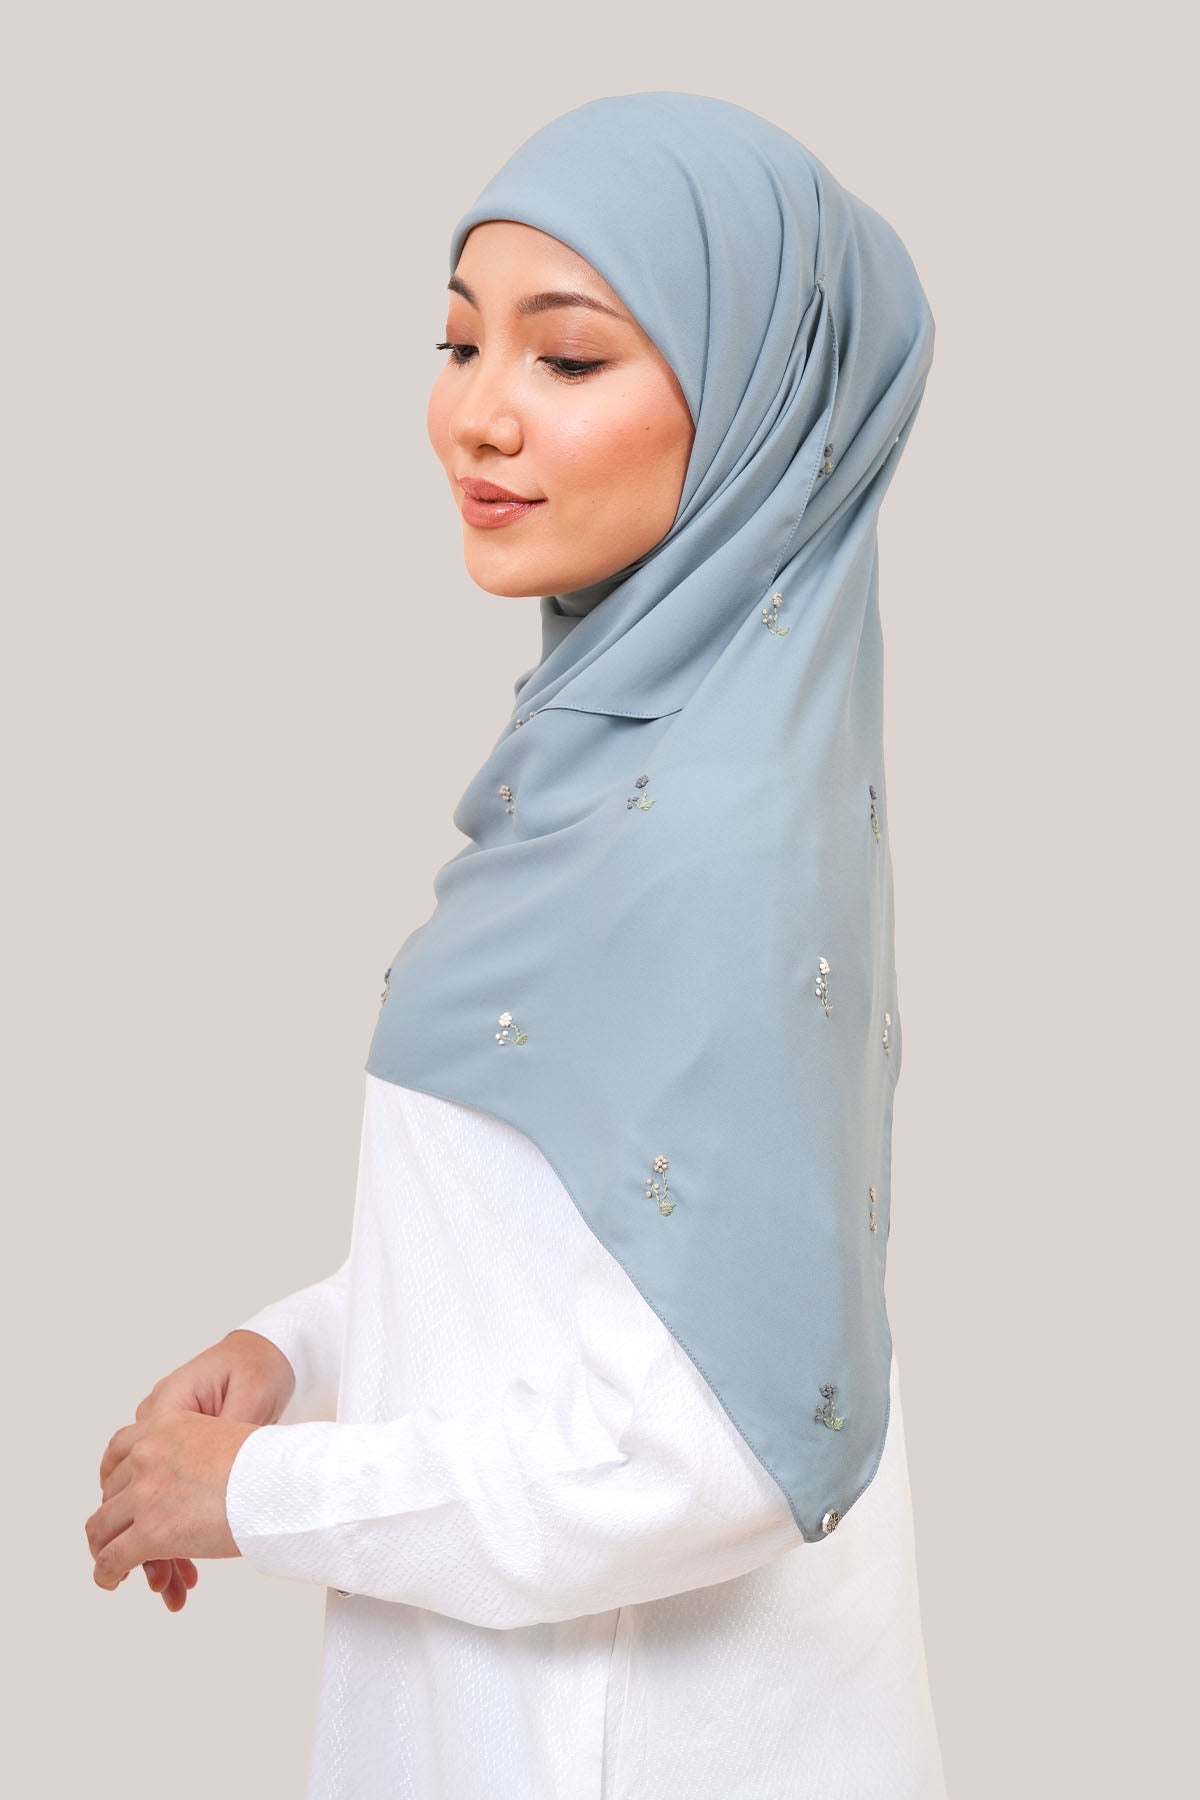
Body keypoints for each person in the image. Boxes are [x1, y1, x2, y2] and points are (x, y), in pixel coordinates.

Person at [87, 91, 948, 1798]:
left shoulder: (712, 845)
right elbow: (591, 1250)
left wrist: (261, 1496)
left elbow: (712, 1452)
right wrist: (302, 1350)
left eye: (567, 357)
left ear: (760, 408)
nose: (476, 415)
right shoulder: (623, 775)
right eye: (460, 341)